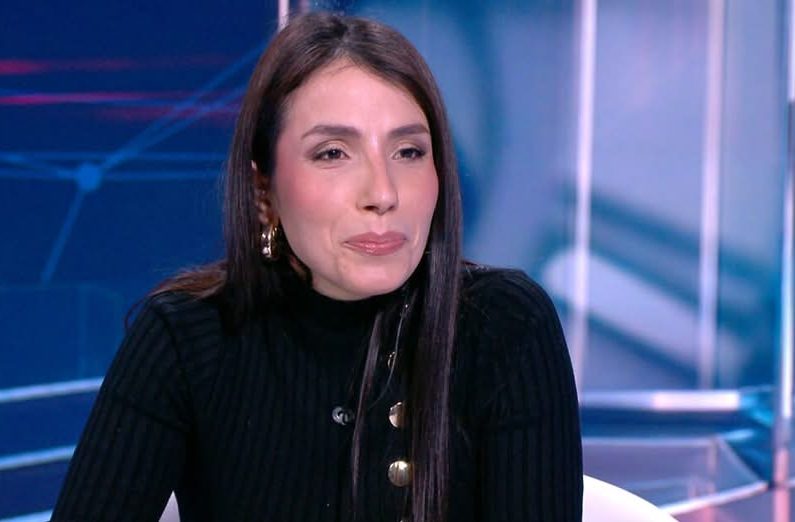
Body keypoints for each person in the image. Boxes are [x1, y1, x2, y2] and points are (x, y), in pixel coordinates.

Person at [52, 11, 582, 522]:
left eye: (408, 152)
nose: (383, 193)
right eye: (333, 153)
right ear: (264, 191)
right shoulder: (186, 339)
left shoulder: (505, 325)